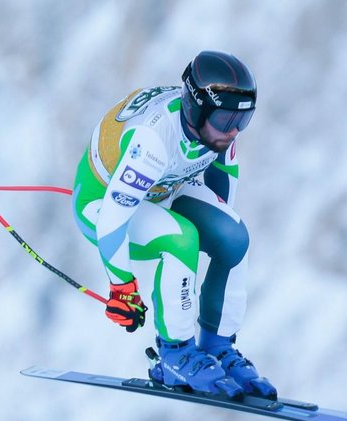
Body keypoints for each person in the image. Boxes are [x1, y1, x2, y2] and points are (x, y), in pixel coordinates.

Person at [72, 50, 276, 399]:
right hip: (102, 204)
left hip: (162, 189)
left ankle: (217, 346)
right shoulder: (152, 141)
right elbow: (114, 215)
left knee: (234, 237)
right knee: (182, 240)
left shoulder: (216, 129)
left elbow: (223, 185)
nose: (233, 131)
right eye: (227, 121)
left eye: (243, 121)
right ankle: (175, 353)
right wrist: (122, 286)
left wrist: (221, 233)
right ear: (197, 109)